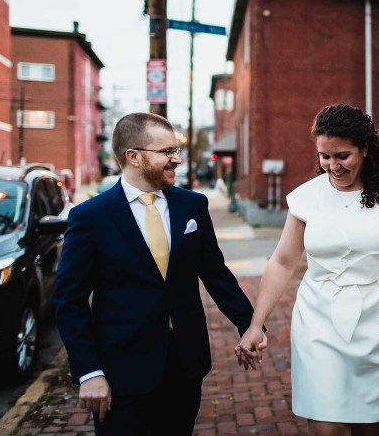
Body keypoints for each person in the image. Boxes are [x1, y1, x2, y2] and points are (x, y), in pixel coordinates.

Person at [237, 104, 379, 436]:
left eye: (342, 156)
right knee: (328, 427)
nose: (332, 166)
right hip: (319, 320)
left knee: (371, 428)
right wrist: (256, 324)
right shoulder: (306, 198)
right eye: (324, 157)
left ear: (365, 149)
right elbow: (282, 262)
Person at [54, 112, 264, 435]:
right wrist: (89, 371)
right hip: (121, 372)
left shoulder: (192, 206)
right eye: (166, 152)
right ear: (134, 157)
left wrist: (250, 325)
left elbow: (216, 275)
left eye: (176, 150)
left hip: (184, 364)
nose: (176, 159)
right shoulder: (90, 218)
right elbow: (69, 300)